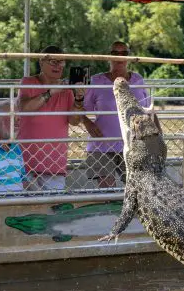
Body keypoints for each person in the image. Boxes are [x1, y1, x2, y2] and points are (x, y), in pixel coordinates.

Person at [17, 45, 98, 191]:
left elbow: (74, 121)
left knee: (54, 207)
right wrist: (52, 91)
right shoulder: (28, 82)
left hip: (54, 165)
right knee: (25, 209)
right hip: (25, 163)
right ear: (41, 62)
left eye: (61, 62)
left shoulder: (67, 90)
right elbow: (24, 108)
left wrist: (79, 98)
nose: (58, 66)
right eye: (53, 62)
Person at [83, 41, 149, 188]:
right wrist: (88, 123)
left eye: (124, 53)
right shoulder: (95, 81)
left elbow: (147, 111)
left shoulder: (138, 80)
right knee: (107, 192)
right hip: (102, 145)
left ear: (128, 57)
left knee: (137, 189)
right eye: (115, 53)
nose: (119, 57)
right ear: (108, 56)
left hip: (133, 144)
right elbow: (79, 108)